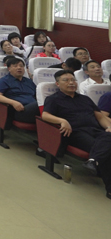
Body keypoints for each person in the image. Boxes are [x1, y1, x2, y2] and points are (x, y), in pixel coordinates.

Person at [41, 70, 111, 200]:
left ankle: (94, 160)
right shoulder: (53, 99)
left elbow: (100, 117)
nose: (71, 83)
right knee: (106, 150)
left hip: (96, 130)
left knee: (107, 137)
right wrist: (62, 121)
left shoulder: (85, 98)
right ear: (57, 83)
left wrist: (109, 126)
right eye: (66, 80)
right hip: (75, 132)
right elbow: (45, 115)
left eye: (73, 80)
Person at [0, 57, 38, 123]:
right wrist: (13, 103)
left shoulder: (29, 81)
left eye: (21, 66)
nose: (19, 68)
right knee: (43, 104)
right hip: (20, 111)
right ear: (9, 69)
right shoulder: (5, 80)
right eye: (15, 66)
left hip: (34, 109)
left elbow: (37, 95)